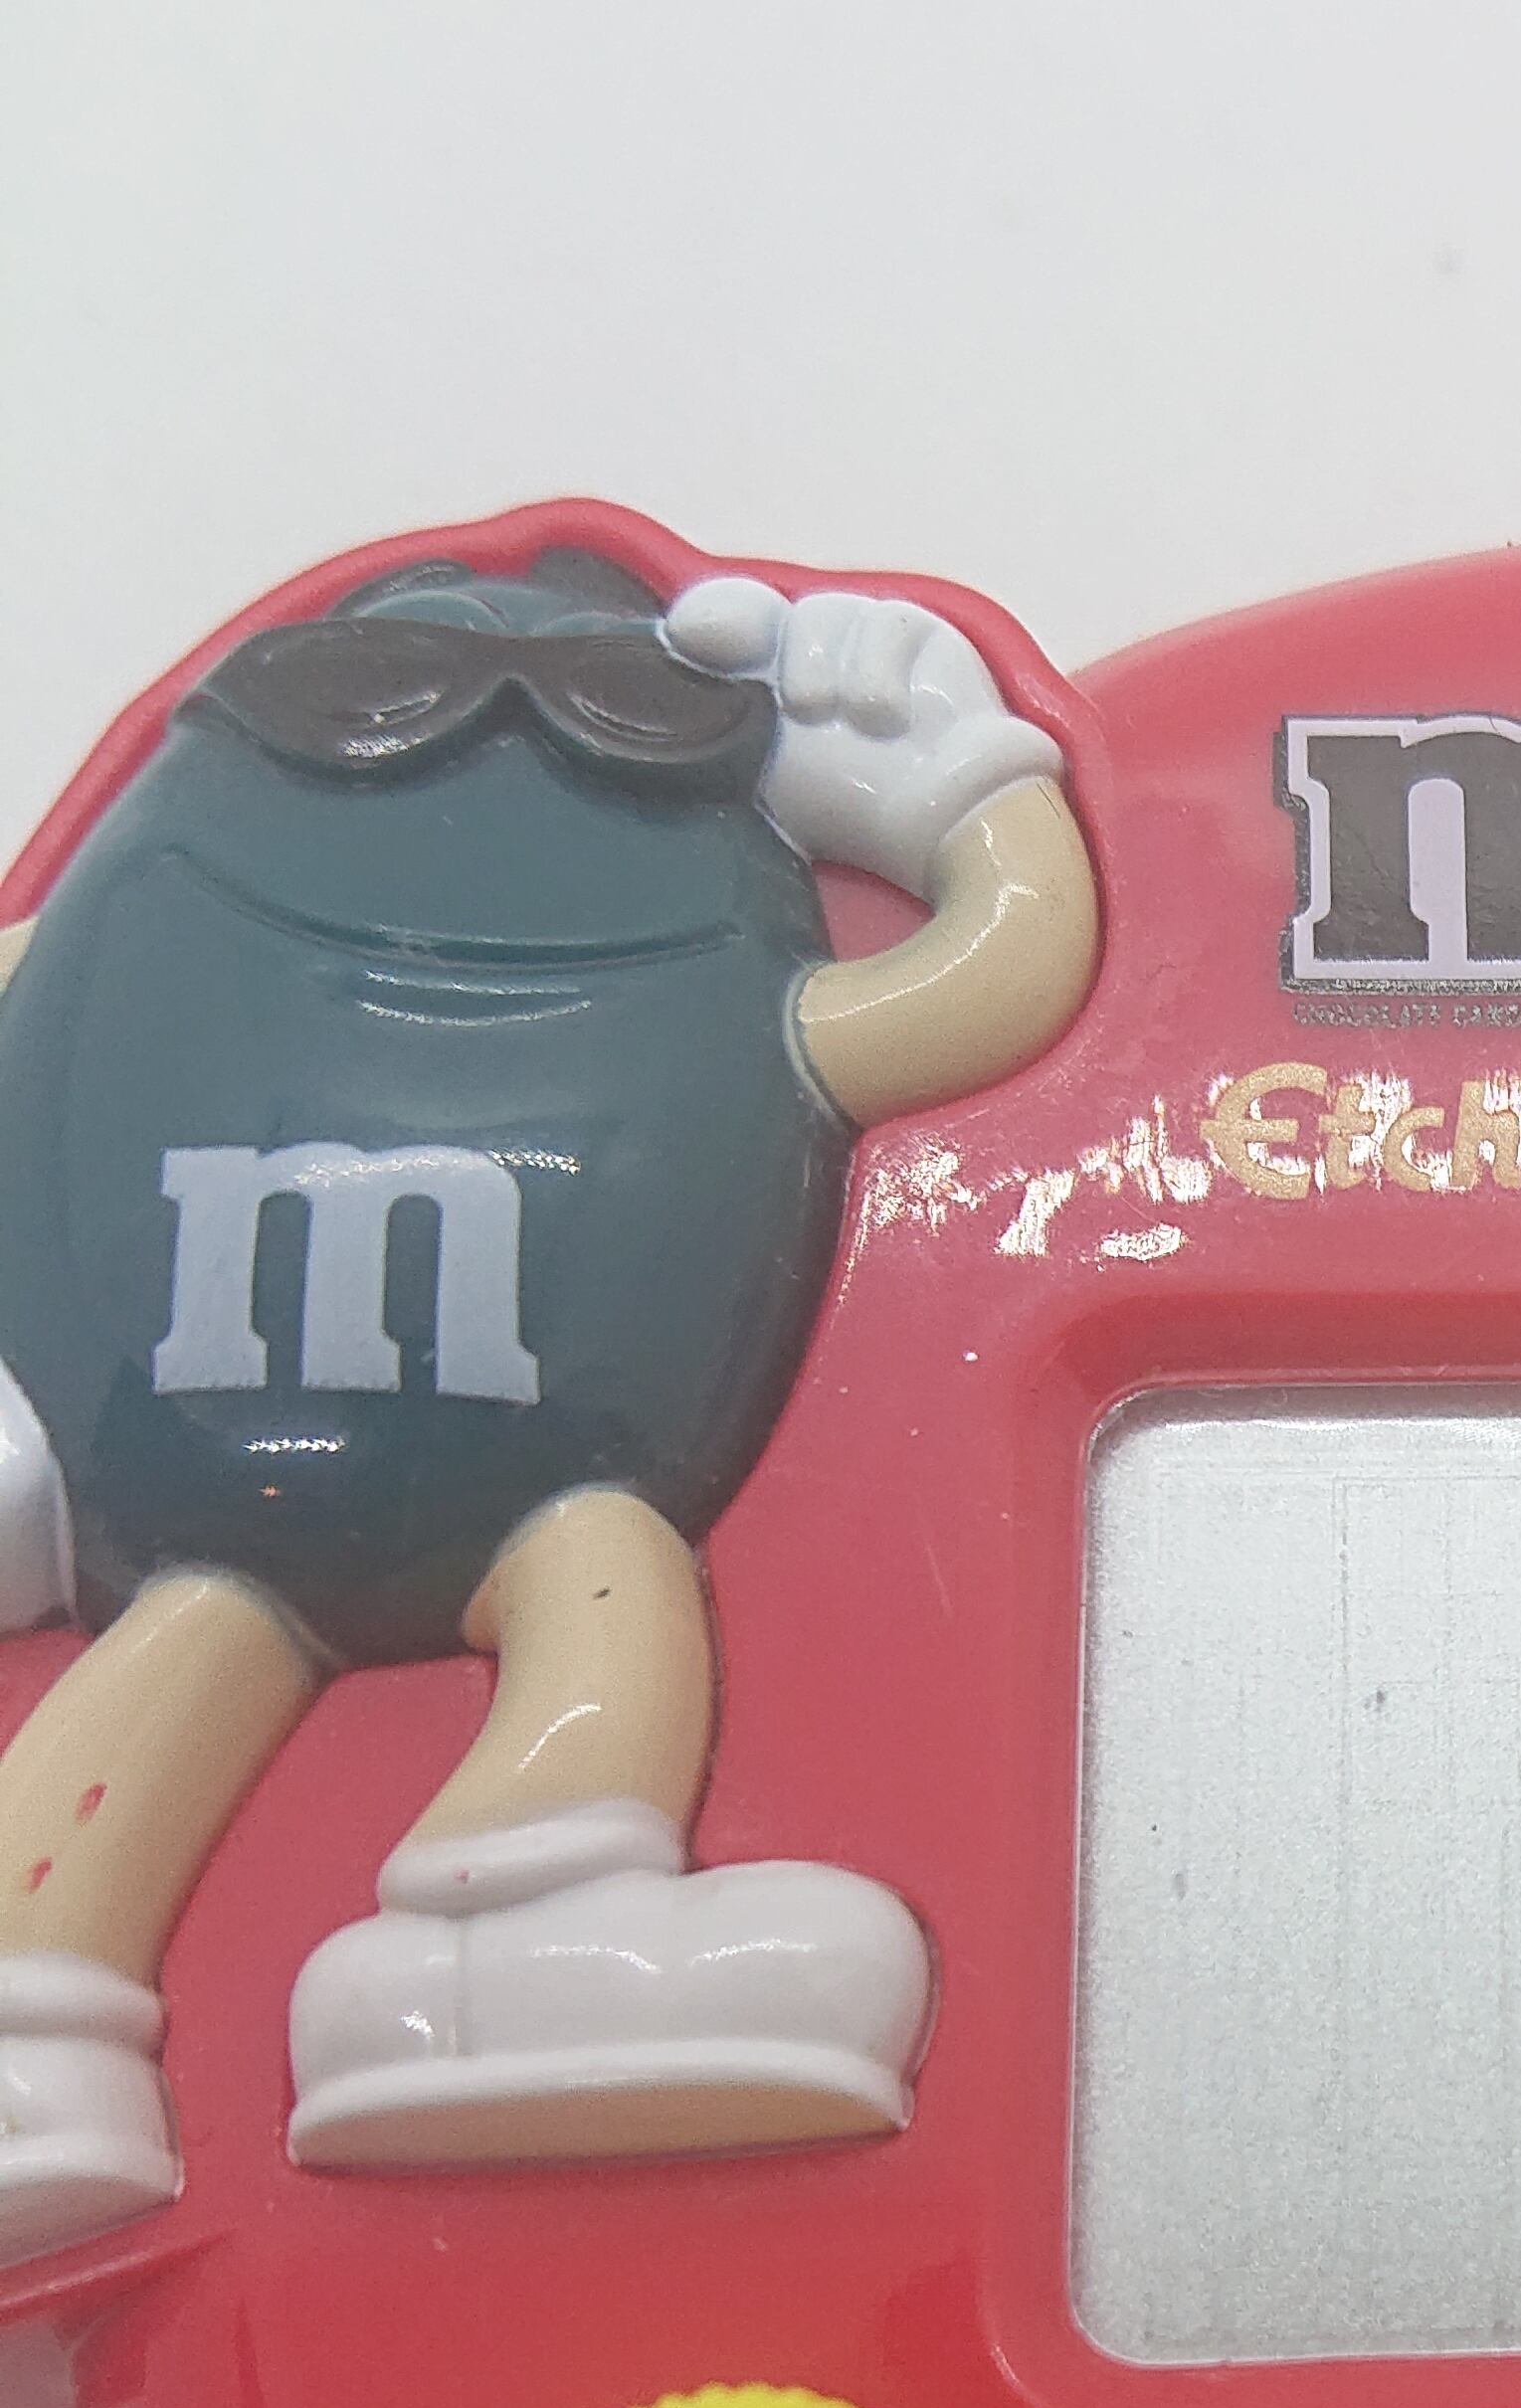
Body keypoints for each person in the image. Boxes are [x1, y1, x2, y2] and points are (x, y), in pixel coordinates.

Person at [0, 540, 1099, 2255]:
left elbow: (1009, 978)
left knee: (566, 1581)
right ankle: (56, 2010)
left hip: (524, 1470)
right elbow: (998, 964)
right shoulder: (118, 951)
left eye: (620, 716)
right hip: (194, 1463)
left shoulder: (717, 996)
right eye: (376, 700)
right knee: (251, 1624)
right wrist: (953, 787)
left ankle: (517, 1930)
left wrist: (936, 765)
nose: (487, 750)